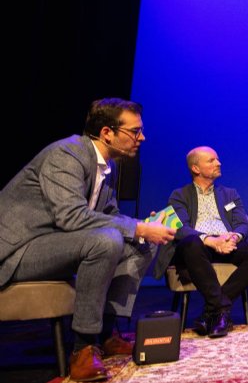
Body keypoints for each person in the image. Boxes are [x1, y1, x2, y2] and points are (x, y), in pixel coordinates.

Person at [0, 98, 175, 382]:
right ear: (107, 132)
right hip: (19, 251)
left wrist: (144, 226)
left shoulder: (107, 167)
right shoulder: (66, 154)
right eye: (135, 131)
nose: (142, 138)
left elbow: (111, 216)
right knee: (107, 240)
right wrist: (137, 227)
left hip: (57, 244)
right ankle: (82, 348)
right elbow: (71, 218)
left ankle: (106, 334)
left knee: (139, 244)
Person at [153, 146, 248, 338]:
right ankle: (221, 310)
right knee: (191, 242)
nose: (218, 163)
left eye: (217, 159)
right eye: (212, 160)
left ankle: (212, 312)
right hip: (199, 247)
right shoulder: (179, 195)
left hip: (227, 244)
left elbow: (242, 224)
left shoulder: (230, 194)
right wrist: (211, 240)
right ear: (196, 168)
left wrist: (233, 237)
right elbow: (181, 228)